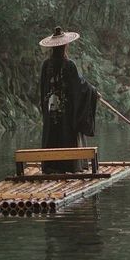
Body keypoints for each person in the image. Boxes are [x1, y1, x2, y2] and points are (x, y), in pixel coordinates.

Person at [39, 26, 99, 173]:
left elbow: (42, 90)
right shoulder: (69, 65)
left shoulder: (46, 65)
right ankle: (67, 165)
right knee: (66, 132)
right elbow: (80, 86)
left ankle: (51, 166)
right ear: (65, 45)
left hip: (50, 109)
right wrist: (93, 92)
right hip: (66, 113)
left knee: (52, 133)